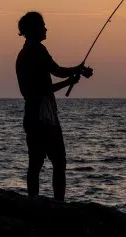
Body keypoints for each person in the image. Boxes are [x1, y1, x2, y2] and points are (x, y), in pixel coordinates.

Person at [15, 11, 93, 201]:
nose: (45, 28)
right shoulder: (38, 50)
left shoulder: (24, 53)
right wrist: (76, 73)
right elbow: (56, 73)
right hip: (44, 117)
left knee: (35, 162)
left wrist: (74, 75)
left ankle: (33, 202)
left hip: (32, 113)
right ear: (33, 29)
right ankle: (59, 205)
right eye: (42, 25)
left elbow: (45, 84)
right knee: (59, 162)